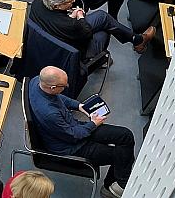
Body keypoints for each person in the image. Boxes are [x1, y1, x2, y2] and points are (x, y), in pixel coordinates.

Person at [29, 66, 136, 198]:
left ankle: (119, 183)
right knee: (121, 156)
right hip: (71, 146)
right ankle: (115, 188)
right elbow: (73, 136)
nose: (67, 86)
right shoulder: (49, 113)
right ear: (53, 87)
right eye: (64, 85)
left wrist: (79, 106)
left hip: (73, 127)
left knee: (125, 135)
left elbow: (58, 98)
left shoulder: (36, 81)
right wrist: (93, 124)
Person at [30, 0, 155, 60]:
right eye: (70, 1)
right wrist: (80, 17)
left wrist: (70, 17)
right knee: (104, 31)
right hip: (71, 50)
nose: (73, 1)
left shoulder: (36, 4)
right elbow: (86, 33)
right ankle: (136, 41)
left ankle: (137, 40)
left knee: (102, 17)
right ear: (57, 6)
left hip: (51, 39)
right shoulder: (71, 25)